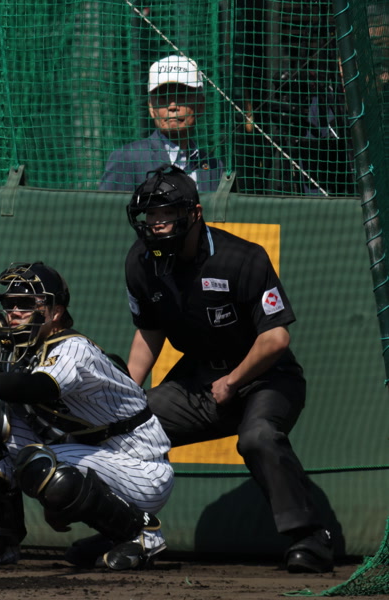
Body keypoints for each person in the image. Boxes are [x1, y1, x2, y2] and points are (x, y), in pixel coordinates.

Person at [122, 165, 334, 573]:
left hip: (266, 376)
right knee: (130, 432)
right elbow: (149, 331)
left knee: (258, 437)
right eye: (151, 215)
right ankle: (122, 532)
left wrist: (234, 381)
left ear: (194, 214)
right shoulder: (141, 262)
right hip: (198, 379)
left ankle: (311, 538)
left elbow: (276, 339)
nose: (157, 224)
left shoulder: (242, 257)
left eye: (167, 214)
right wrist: (126, 398)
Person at [0, 262, 174, 571]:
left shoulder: (73, 348)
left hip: (141, 468)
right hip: (95, 453)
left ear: (55, 312)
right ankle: (0, 544)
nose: (14, 312)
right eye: (9, 303)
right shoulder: (23, 352)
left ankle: (141, 533)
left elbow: (39, 387)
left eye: (26, 304)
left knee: (39, 464)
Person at [99, 55, 223, 192]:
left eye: (182, 96)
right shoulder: (126, 160)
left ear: (200, 105)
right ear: (151, 109)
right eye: (163, 97)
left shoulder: (214, 167)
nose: (172, 106)